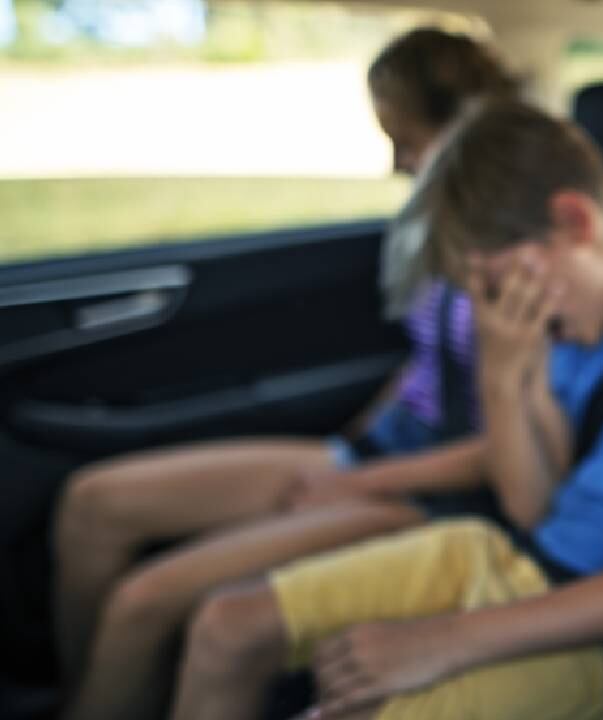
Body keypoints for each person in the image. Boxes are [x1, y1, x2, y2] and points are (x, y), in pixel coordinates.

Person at [166, 98, 603, 720]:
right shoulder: (573, 321)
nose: (508, 308)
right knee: (227, 627)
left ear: (574, 221)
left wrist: (440, 640)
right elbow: (532, 507)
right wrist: (503, 370)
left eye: (503, 285)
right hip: (515, 560)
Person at [54, 27, 517, 720]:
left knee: (142, 603)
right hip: (383, 452)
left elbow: (506, 443)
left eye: (408, 142)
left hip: (436, 491)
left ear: (463, 126)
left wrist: (358, 480)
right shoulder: (442, 227)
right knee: (93, 503)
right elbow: (432, 364)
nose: (396, 164)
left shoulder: (519, 257)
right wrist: (350, 443)